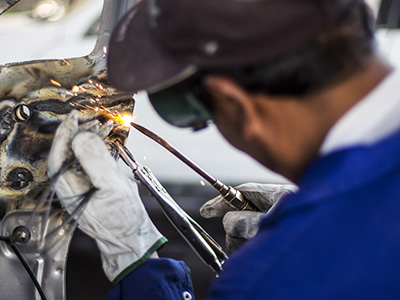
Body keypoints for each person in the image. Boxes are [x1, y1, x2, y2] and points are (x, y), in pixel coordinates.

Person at [47, 0, 400, 299]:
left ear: (237, 106)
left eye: (208, 119)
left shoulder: (269, 280)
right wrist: (327, 237)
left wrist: (135, 259)